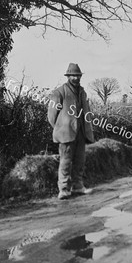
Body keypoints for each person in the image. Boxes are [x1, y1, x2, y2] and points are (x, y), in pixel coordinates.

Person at [48, 63, 94, 200]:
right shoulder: (59, 92)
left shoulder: (82, 92)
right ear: (68, 76)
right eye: (73, 75)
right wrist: (61, 128)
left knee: (80, 161)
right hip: (66, 133)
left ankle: (78, 186)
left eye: (78, 75)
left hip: (81, 132)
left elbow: (87, 112)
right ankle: (63, 189)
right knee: (65, 162)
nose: (76, 78)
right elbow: (51, 116)